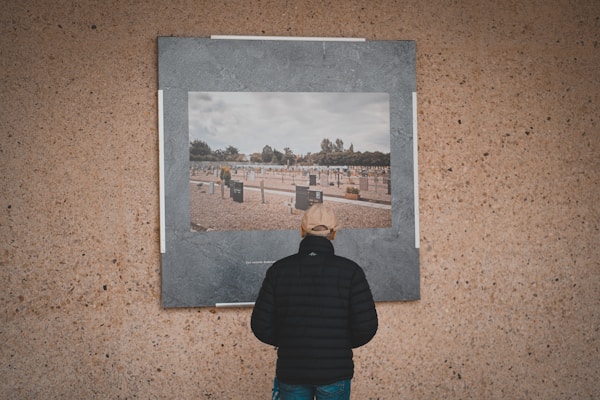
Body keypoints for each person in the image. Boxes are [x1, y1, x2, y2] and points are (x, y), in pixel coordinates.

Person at [251, 204, 378, 400]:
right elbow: (367, 326)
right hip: (335, 371)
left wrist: (289, 340)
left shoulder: (279, 270)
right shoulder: (351, 271)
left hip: (292, 370)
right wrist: (339, 345)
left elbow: (260, 325)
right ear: (334, 233)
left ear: (302, 230)